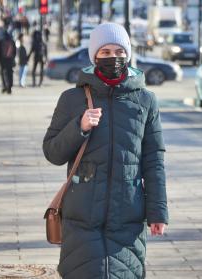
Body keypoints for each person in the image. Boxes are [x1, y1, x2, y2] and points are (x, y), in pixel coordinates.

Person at [42, 23, 168, 279]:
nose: (113, 58)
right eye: (106, 52)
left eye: (119, 51)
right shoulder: (71, 99)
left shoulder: (145, 100)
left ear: (128, 54)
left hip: (128, 215)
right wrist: (79, 126)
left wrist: (158, 212)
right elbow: (52, 152)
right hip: (82, 215)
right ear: (94, 57)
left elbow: (154, 161)